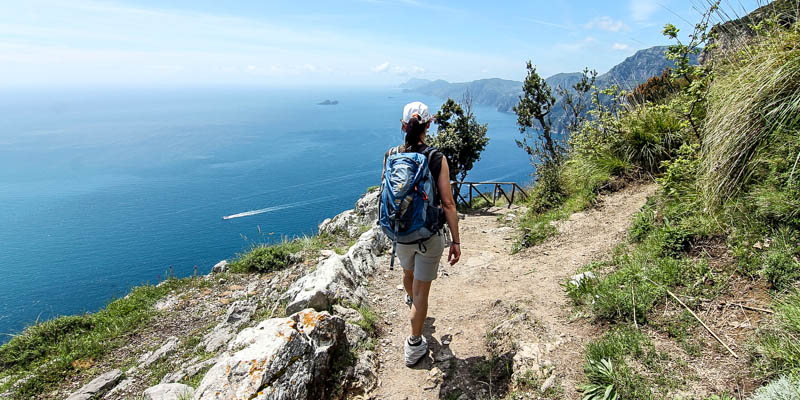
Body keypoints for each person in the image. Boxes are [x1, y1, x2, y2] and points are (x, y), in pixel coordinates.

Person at [385, 101, 461, 367]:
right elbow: (448, 203)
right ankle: (414, 343)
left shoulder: (391, 154)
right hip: (428, 235)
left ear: (404, 126)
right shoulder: (436, 158)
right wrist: (456, 240)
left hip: (400, 232)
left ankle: (411, 300)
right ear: (429, 125)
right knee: (422, 293)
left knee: (408, 274)